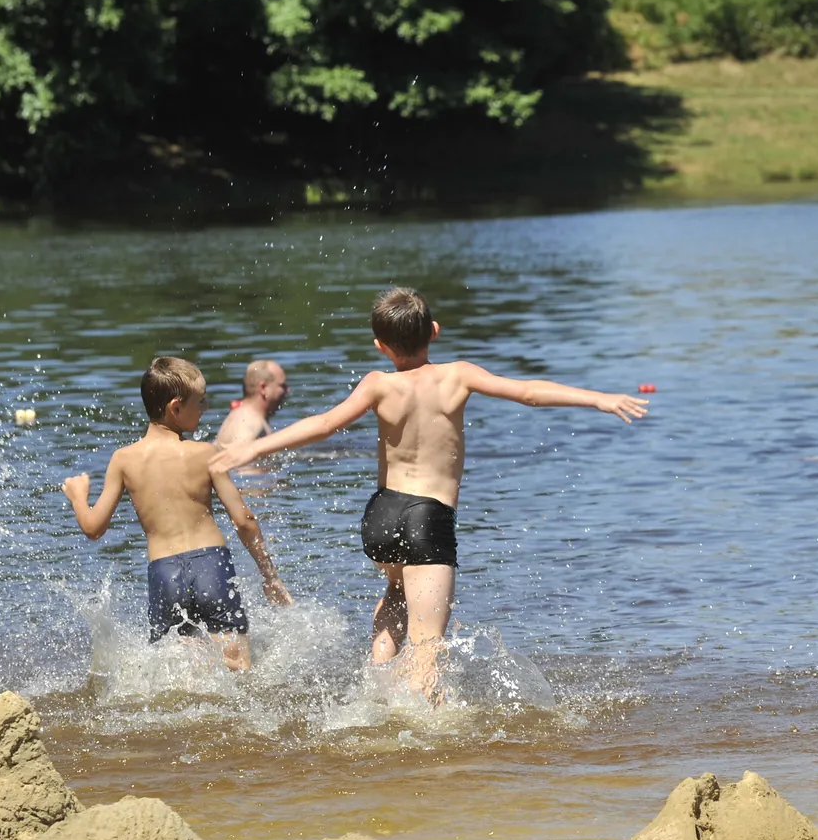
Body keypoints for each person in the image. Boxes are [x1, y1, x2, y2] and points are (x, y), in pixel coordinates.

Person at [209, 287, 648, 700]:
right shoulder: (457, 376)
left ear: (380, 345)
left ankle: (376, 685)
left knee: (398, 595)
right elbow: (530, 393)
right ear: (434, 332)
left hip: (381, 515)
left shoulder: (378, 383)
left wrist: (250, 448)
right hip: (427, 516)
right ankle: (426, 746)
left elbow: (323, 424)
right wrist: (598, 398)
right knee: (428, 647)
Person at [62, 356, 293, 671]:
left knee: (183, 681)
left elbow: (93, 528)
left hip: (164, 575)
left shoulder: (123, 459)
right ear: (175, 408)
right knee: (240, 673)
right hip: (212, 567)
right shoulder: (206, 454)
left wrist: (78, 497)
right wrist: (270, 575)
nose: (205, 409)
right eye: (200, 402)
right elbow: (244, 520)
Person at [215, 359, 288, 448]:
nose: (287, 390)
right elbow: (234, 456)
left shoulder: (242, 414)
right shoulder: (249, 421)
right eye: (282, 386)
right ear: (263, 388)